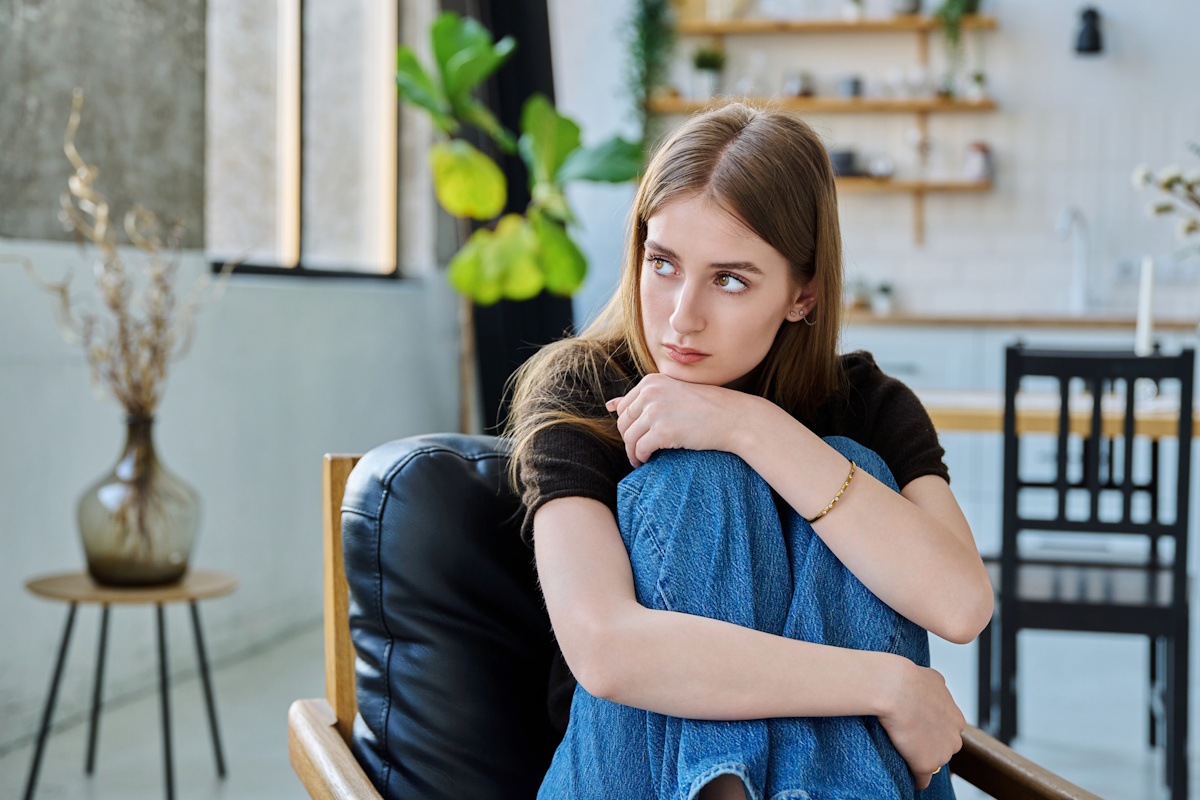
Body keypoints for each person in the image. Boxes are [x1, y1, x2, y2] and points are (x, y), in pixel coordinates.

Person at [505, 102, 993, 800]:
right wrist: (887, 686)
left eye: (729, 280)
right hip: (629, 772)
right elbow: (604, 648)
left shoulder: (869, 402)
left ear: (805, 293)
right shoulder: (584, 388)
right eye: (663, 263)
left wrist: (748, 427)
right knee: (701, 477)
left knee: (858, 466)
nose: (682, 317)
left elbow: (960, 604)